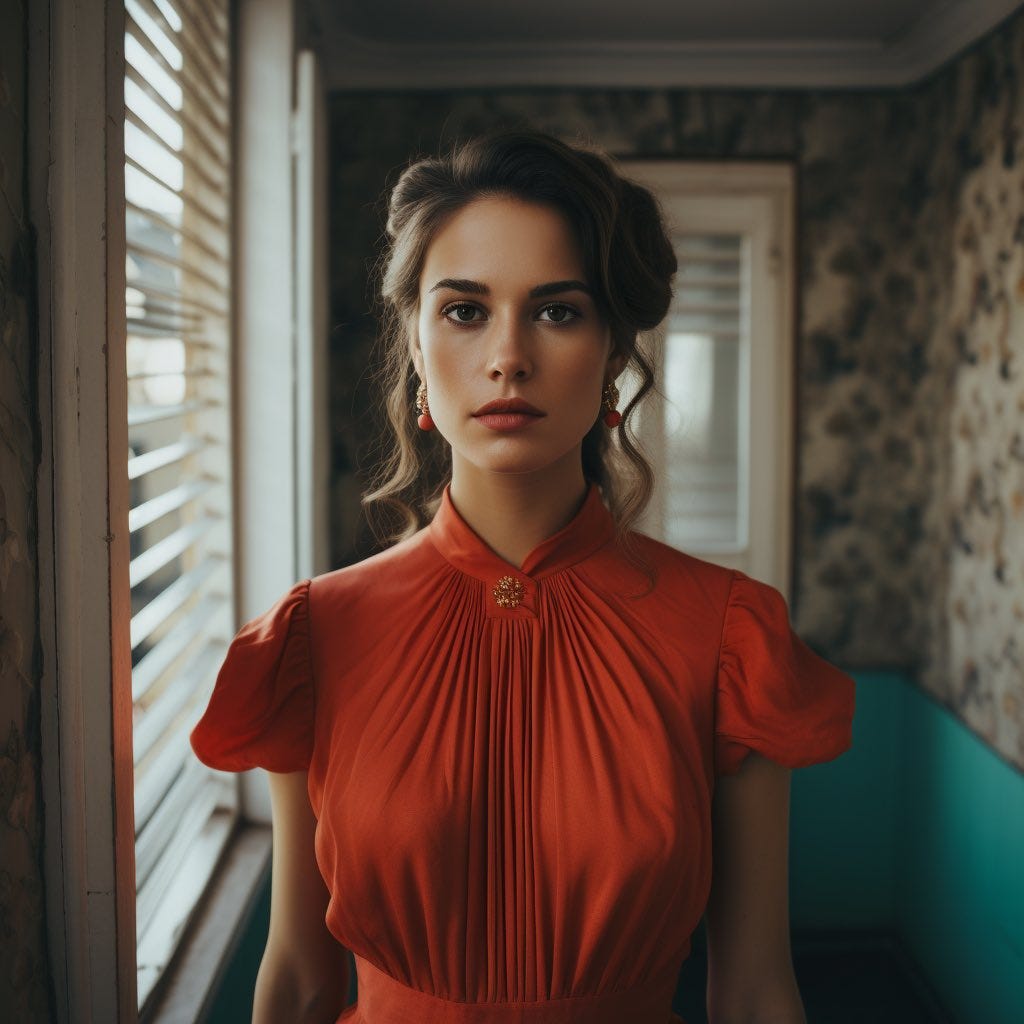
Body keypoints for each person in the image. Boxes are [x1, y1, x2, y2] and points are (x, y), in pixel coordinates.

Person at [191, 128, 856, 1024]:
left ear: (615, 352)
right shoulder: (316, 637)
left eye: (557, 310)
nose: (508, 356)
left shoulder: (729, 636)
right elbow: (301, 979)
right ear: (418, 349)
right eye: (464, 310)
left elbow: (752, 989)